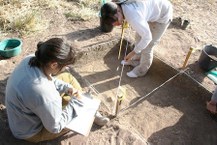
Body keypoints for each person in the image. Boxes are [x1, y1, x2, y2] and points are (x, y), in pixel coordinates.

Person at [5, 38, 109, 143]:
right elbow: (55, 126)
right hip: (30, 131)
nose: (66, 68)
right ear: (54, 64)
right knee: (75, 112)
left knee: (67, 78)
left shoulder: (31, 58)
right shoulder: (44, 93)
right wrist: (76, 103)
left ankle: (84, 105)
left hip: (21, 114)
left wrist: (66, 88)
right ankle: (88, 112)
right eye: (65, 65)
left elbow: (48, 79)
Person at [100, 0, 173, 78]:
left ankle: (141, 70)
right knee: (138, 38)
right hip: (150, 9)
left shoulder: (134, 17)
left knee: (148, 46)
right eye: (111, 22)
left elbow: (147, 38)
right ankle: (136, 61)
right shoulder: (118, 5)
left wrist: (132, 53)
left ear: (118, 10)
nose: (115, 24)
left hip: (163, 14)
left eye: (114, 20)